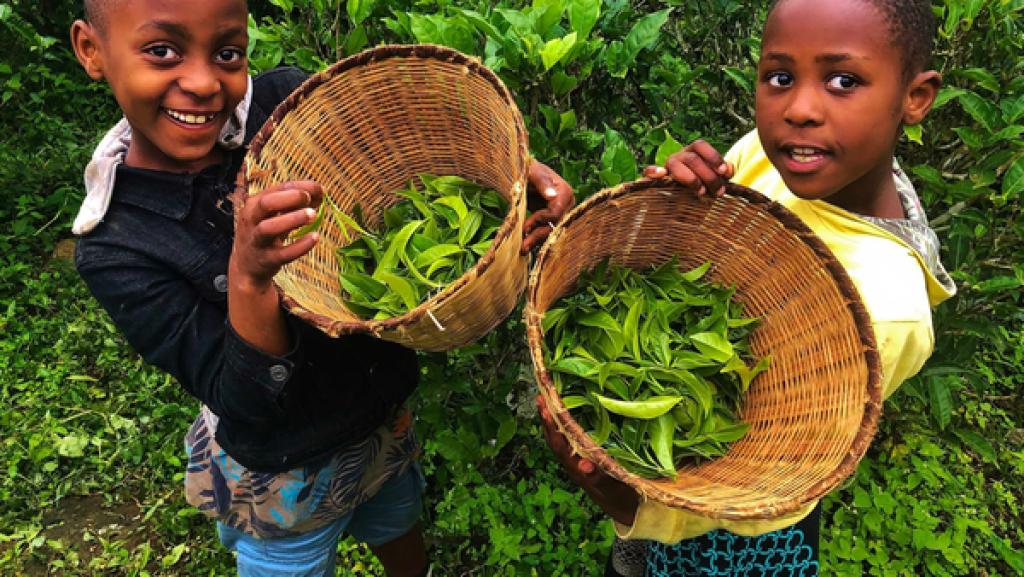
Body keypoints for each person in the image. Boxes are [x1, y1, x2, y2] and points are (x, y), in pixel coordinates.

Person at [68, 1, 574, 575]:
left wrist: (514, 174)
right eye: (162, 51)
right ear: (91, 50)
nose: (205, 83)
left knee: (397, 522)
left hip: (378, 418)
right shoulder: (119, 246)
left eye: (228, 52)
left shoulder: (286, 104)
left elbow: (399, 145)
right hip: (282, 475)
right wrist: (248, 274)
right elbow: (243, 399)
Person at [538, 0, 957, 575]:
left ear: (915, 97)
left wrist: (624, 502)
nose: (800, 110)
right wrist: (677, 207)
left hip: (747, 529)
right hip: (674, 469)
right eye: (780, 78)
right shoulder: (769, 155)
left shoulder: (886, 307)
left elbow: (780, 471)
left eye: (843, 81)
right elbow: (709, 252)